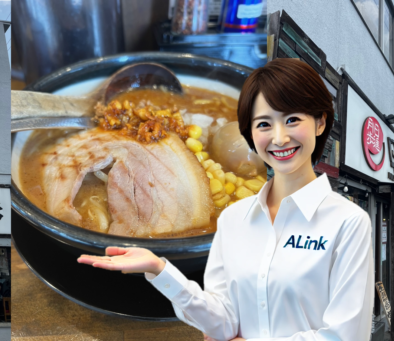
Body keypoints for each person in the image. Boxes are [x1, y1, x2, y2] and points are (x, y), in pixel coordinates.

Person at [78, 58, 374, 341]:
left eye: (293, 119)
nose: (279, 138)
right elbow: (223, 322)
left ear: (321, 123)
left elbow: (346, 335)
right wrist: (160, 269)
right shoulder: (233, 218)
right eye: (263, 124)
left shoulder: (348, 223)